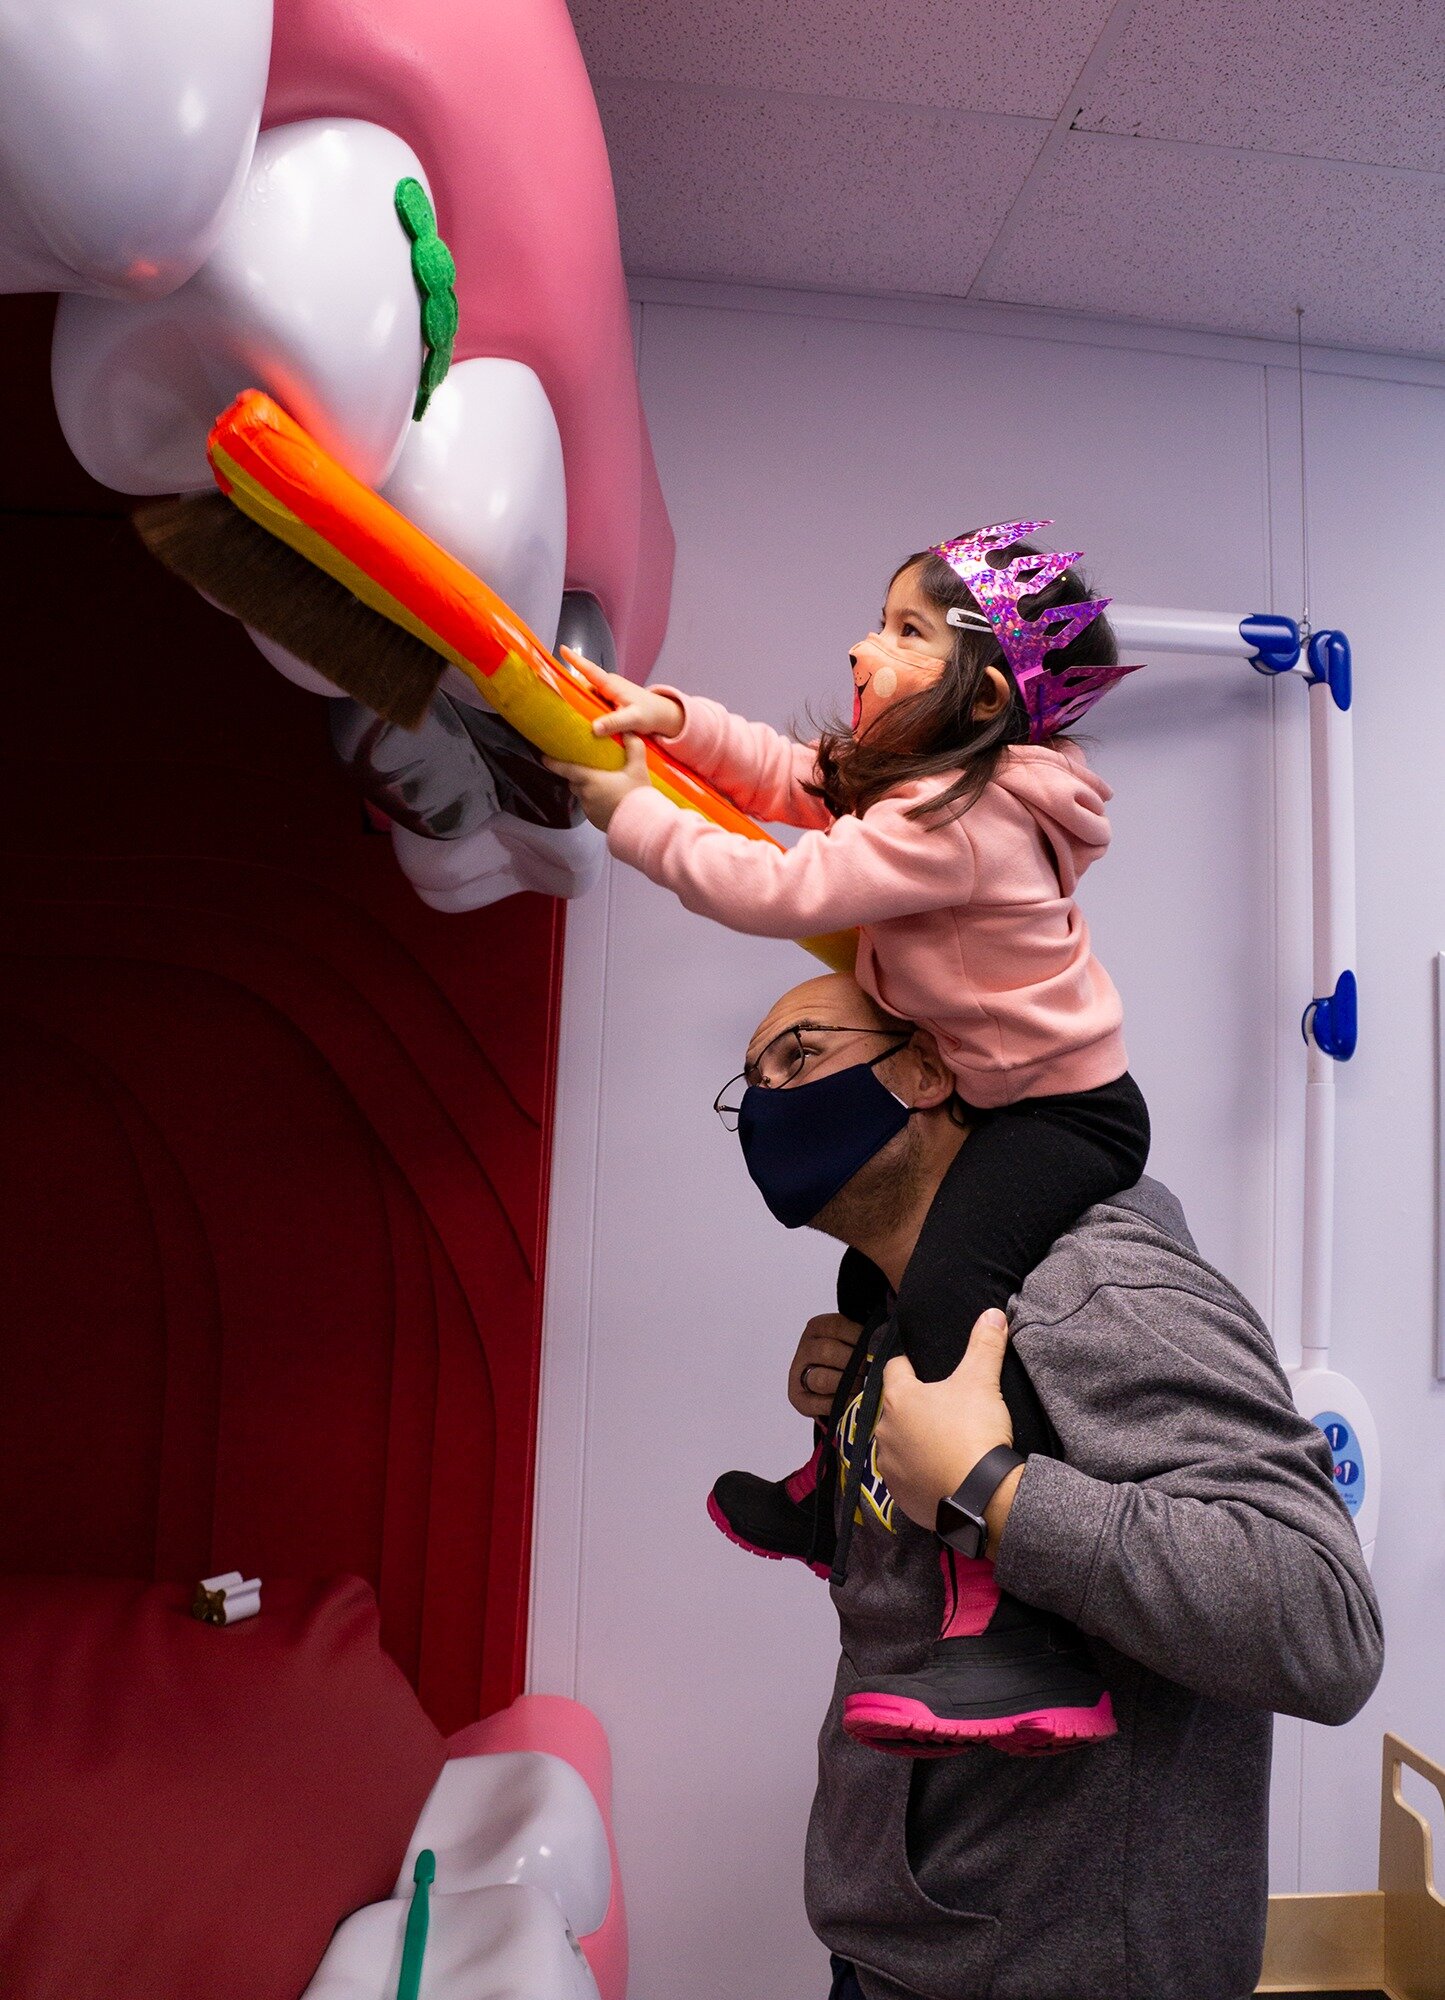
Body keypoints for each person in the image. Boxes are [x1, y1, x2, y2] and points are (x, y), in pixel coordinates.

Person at [547, 521, 1149, 1753]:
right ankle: (836, 1480)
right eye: (877, 620)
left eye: (903, 631)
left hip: (1063, 1113)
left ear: (979, 695)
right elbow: (786, 772)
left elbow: (775, 888)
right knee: (866, 1272)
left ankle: (1004, 1617)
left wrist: (625, 814)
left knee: (946, 1291)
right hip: (999, 1089)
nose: (862, 646)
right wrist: (667, 719)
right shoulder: (918, 784)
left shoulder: (957, 819)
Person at [726, 973, 1382, 2000]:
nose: (767, 1099)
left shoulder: (1092, 1285)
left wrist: (996, 1492)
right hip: (895, 1955)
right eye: (751, 1080)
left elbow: (1322, 1617)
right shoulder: (903, 1314)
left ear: (928, 1066)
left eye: (798, 1054)